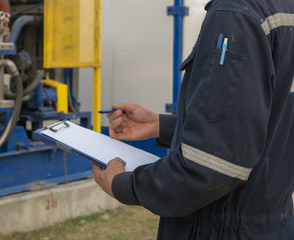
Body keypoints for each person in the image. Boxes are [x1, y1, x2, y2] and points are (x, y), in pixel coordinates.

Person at [91, 0, 294, 239]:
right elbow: (265, 122)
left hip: (220, 229)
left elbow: (211, 167)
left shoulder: (236, 14)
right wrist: (161, 126)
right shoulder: (282, 8)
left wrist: (123, 184)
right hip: (274, 223)